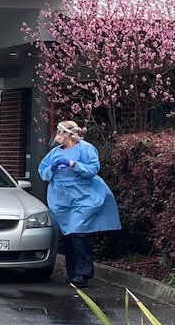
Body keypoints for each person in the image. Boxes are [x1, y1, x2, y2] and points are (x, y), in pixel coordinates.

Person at [38, 120, 121, 288]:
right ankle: (73, 273)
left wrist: (73, 164)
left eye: (60, 132)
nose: (58, 136)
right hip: (61, 200)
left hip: (83, 197)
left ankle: (82, 273)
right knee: (68, 235)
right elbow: (43, 173)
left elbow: (92, 170)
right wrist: (52, 168)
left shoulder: (85, 148)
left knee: (78, 232)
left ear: (68, 134)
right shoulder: (54, 153)